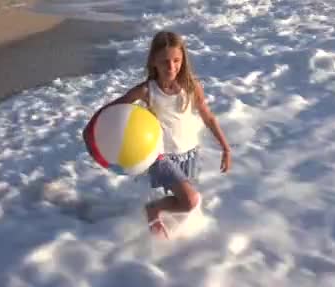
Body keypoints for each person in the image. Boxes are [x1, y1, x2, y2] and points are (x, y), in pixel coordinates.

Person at [84, 31, 231, 238]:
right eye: (165, 62)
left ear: (183, 59)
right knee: (190, 200)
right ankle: (153, 210)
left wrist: (225, 147)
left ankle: (172, 235)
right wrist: (91, 129)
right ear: (154, 61)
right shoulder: (147, 91)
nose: (171, 67)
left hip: (188, 153)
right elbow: (112, 110)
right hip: (160, 156)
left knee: (181, 199)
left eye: (176, 60)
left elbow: (209, 118)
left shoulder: (191, 87)